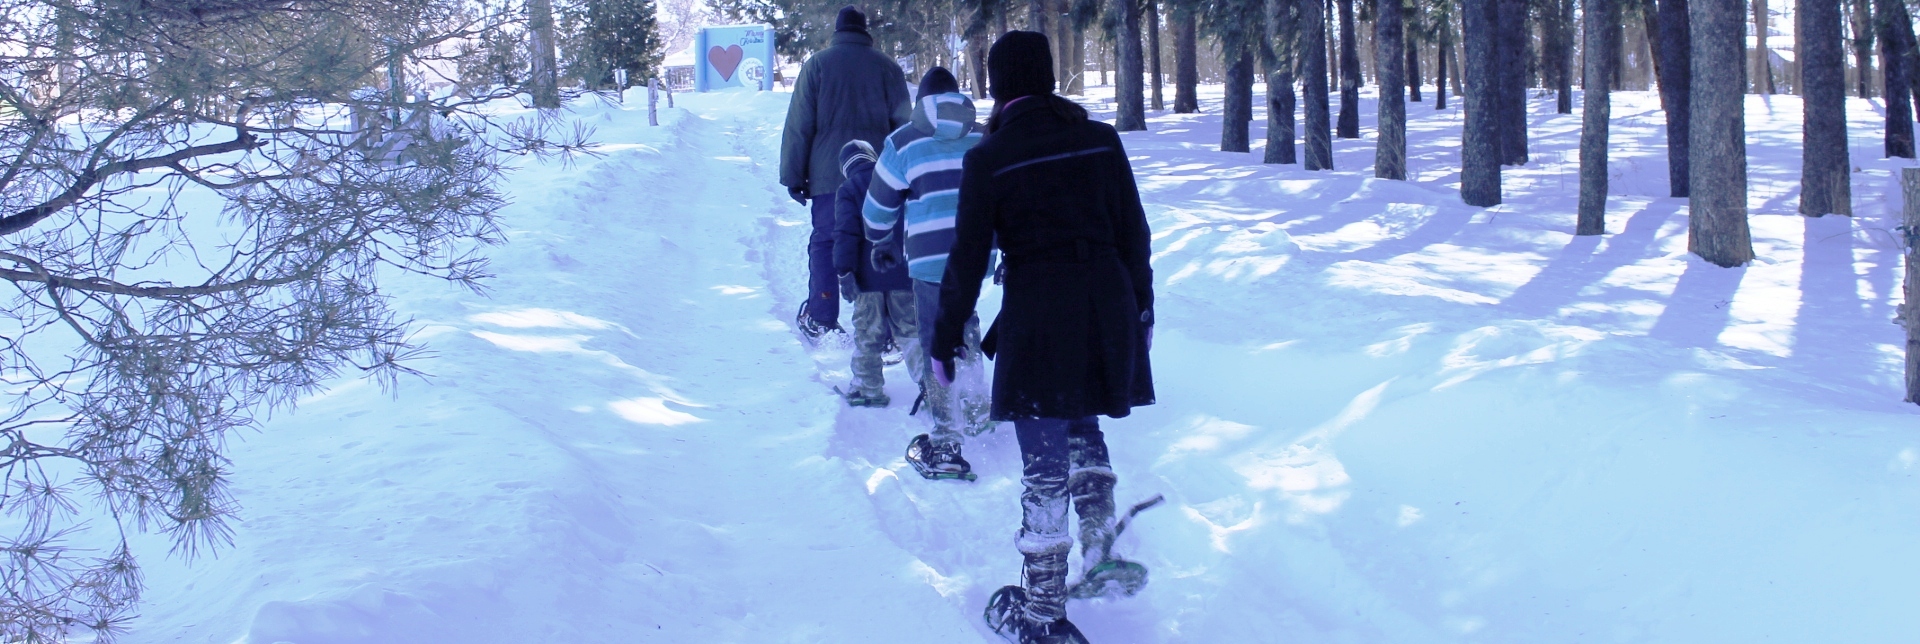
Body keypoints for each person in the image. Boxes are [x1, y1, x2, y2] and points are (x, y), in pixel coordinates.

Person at [929, 32, 1156, 644]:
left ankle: (1043, 612)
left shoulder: (991, 157)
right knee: (1085, 424)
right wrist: (1143, 311)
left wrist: (945, 337)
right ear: (1049, 76)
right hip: (1105, 303)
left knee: (1045, 462)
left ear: (998, 85)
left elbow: (968, 259)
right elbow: (1135, 232)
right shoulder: (1100, 139)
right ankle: (1100, 543)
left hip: (1040, 314)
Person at [863, 66, 988, 481]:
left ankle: (947, 434)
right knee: (965, 319)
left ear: (921, 103)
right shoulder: (982, 135)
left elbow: (879, 206)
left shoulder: (903, 141)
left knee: (936, 335)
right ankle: (976, 409)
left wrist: (878, 238)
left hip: (930, 259)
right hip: (976, 255)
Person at [778, 5, 910, 339]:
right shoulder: (888, 68)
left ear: (837, 32)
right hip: (881, 176)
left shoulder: (818, 65)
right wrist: (908, 175)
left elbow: (799, 126)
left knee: (826, 241)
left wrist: (793, 175)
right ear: (865, 32)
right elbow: (904, 126)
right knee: (880, 242)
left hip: (828, 175)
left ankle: (821, 317)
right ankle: (887, 330)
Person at [832, 139, 918, 407]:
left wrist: (844, 272)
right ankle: (932, 389)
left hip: (866, 280)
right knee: (911, 332)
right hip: (902, 272)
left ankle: (867, 389)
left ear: (845, 168)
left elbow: (846, 233)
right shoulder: (896, 180)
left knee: (867, 335)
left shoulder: (848, 189)